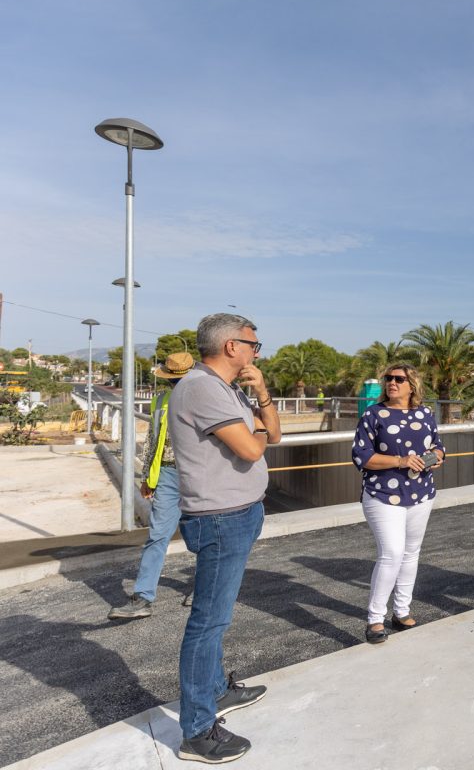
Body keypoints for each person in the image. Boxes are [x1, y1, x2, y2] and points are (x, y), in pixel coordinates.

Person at [168, 313, 281, 763]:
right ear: (231, 346)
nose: (257, 351)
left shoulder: (227, 389)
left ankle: (216, 690)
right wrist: (257, 424)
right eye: (254, 343)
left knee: (218, 617)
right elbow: (254, 448)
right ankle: (197, 731)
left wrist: (262, 393)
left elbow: (272, 432)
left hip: (240, 512)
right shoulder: (199, 388)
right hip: (220, 518)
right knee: (207, 623)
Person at [351, 363, 444, 644]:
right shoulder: (373, 414)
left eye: (398, 379)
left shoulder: (425, 413)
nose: (392, 383)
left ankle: (401, 611)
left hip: (421, 493)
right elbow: (361, 456)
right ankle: (375, 619)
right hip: (382, 494)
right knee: (391, 552)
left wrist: (435, 457)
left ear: (411, 385)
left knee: (411, 553)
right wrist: (401, 461)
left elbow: (439, 446)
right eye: (388, 379)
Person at [107, 352, 194, 620]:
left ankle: (204, 589)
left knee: (202, 537)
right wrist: (148, 478)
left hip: (199, 476)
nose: (176, 384)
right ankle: (143, 597)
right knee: (157, 536)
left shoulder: (203, 399)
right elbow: (152, 441)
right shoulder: (161, 402)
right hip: (167, 475)